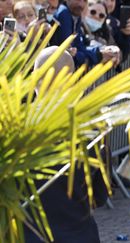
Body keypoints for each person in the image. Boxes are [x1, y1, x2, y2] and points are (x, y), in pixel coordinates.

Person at [24, 46, 109, 243]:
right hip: (78, 234)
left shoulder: (16, 129)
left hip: (30, 235)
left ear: (34, 77)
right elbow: (100, 195)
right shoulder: (91, 127)